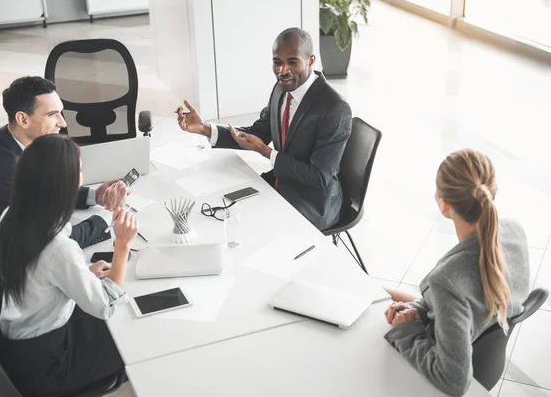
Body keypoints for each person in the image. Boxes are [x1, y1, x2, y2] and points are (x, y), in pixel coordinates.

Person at [0, 76, 128, 313]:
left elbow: (42, 183)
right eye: (52, 114)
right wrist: (108, 216)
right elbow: (52, 244)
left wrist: (94, 196)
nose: (62, 123)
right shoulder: (5, 174)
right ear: (22, 119)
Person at [0, 134, 137, 397]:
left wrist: (80, 273)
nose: (82, 177)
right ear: (65, 185)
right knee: (132, 335)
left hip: (20, 343)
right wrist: (122, 245)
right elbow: (106, 305)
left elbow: (35, 272)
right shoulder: (58, 248)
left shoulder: (8, 217)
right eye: (79, 172)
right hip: (49, 367)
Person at [383, 149, 530, 397]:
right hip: (481, 343)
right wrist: (418, 311)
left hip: (451, 364)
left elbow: (454, 381)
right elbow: (466, 303)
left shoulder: (447, 280)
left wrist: (408, 332)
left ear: (444, 205)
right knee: (382, 293)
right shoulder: (515, 230)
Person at [176, 28, 352, 231]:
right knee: (222, 211)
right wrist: (205, 129)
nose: (283, 70)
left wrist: (266, 152)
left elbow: (319, 176)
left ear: (311, 61)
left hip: (314, 203)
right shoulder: (280, 89)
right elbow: (257, 134)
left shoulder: (334, 108)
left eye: (293, 62)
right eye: (277, 62)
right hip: (281, 183)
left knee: (254, 228)